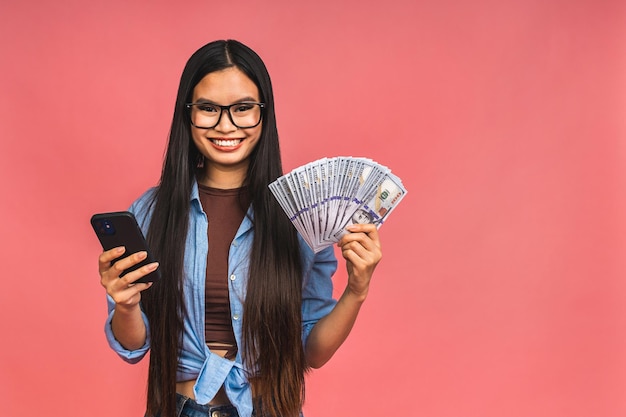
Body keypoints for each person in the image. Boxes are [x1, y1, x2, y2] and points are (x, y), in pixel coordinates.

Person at [98, 39, 382, 417]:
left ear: (264, 114)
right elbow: (134, 346)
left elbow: (312, 351)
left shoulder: (300, 216)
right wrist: (126, 303)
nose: (225, 125)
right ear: (188, 114)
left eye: (243, 109)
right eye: (209, 109)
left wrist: (357, 291)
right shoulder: (151, 211)